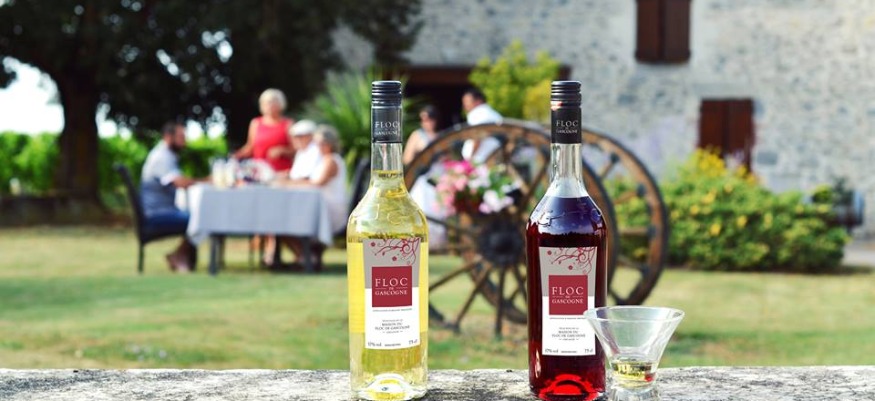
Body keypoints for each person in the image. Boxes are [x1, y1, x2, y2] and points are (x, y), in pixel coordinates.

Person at [279, 125, 348, 271]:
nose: (317, 146)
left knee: (282, 221)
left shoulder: (331, 160)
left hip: (330, 209)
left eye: (321, 143)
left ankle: (305, 257)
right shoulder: (323, 160)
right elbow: (309, 180)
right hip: (320, 206)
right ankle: (306, 256)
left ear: (329, 144)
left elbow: (316, 184)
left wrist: (289, 183)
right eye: (316, 143)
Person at [140, 122, 201, 272]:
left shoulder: (167, 155)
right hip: (156, 215)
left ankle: (179, 255)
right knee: (198, 219)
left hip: (162, 211)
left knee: (197, 217)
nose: (184, 142)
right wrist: (208, 181)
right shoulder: (161, 157)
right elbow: (180, 183)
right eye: (181, 137)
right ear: (168, 137)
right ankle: (179, 256)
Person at [233, 88, 295, 173]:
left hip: (282, 173)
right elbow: (250, 147)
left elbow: (296, 149)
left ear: (280, 104)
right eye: (265, 103)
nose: (269, 106)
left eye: (272, 102)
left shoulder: (288, 124)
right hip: (260, 172)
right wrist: (236, 155)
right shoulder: (255, 123)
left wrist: (282, 150)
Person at [460, 88, 502, 163]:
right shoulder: (492, 113)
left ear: (478, 101)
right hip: (495, 158)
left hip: (482, 161)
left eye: (467, 101)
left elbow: (477, 137)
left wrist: (470, 159)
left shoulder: (478, 113)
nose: (464, 105)